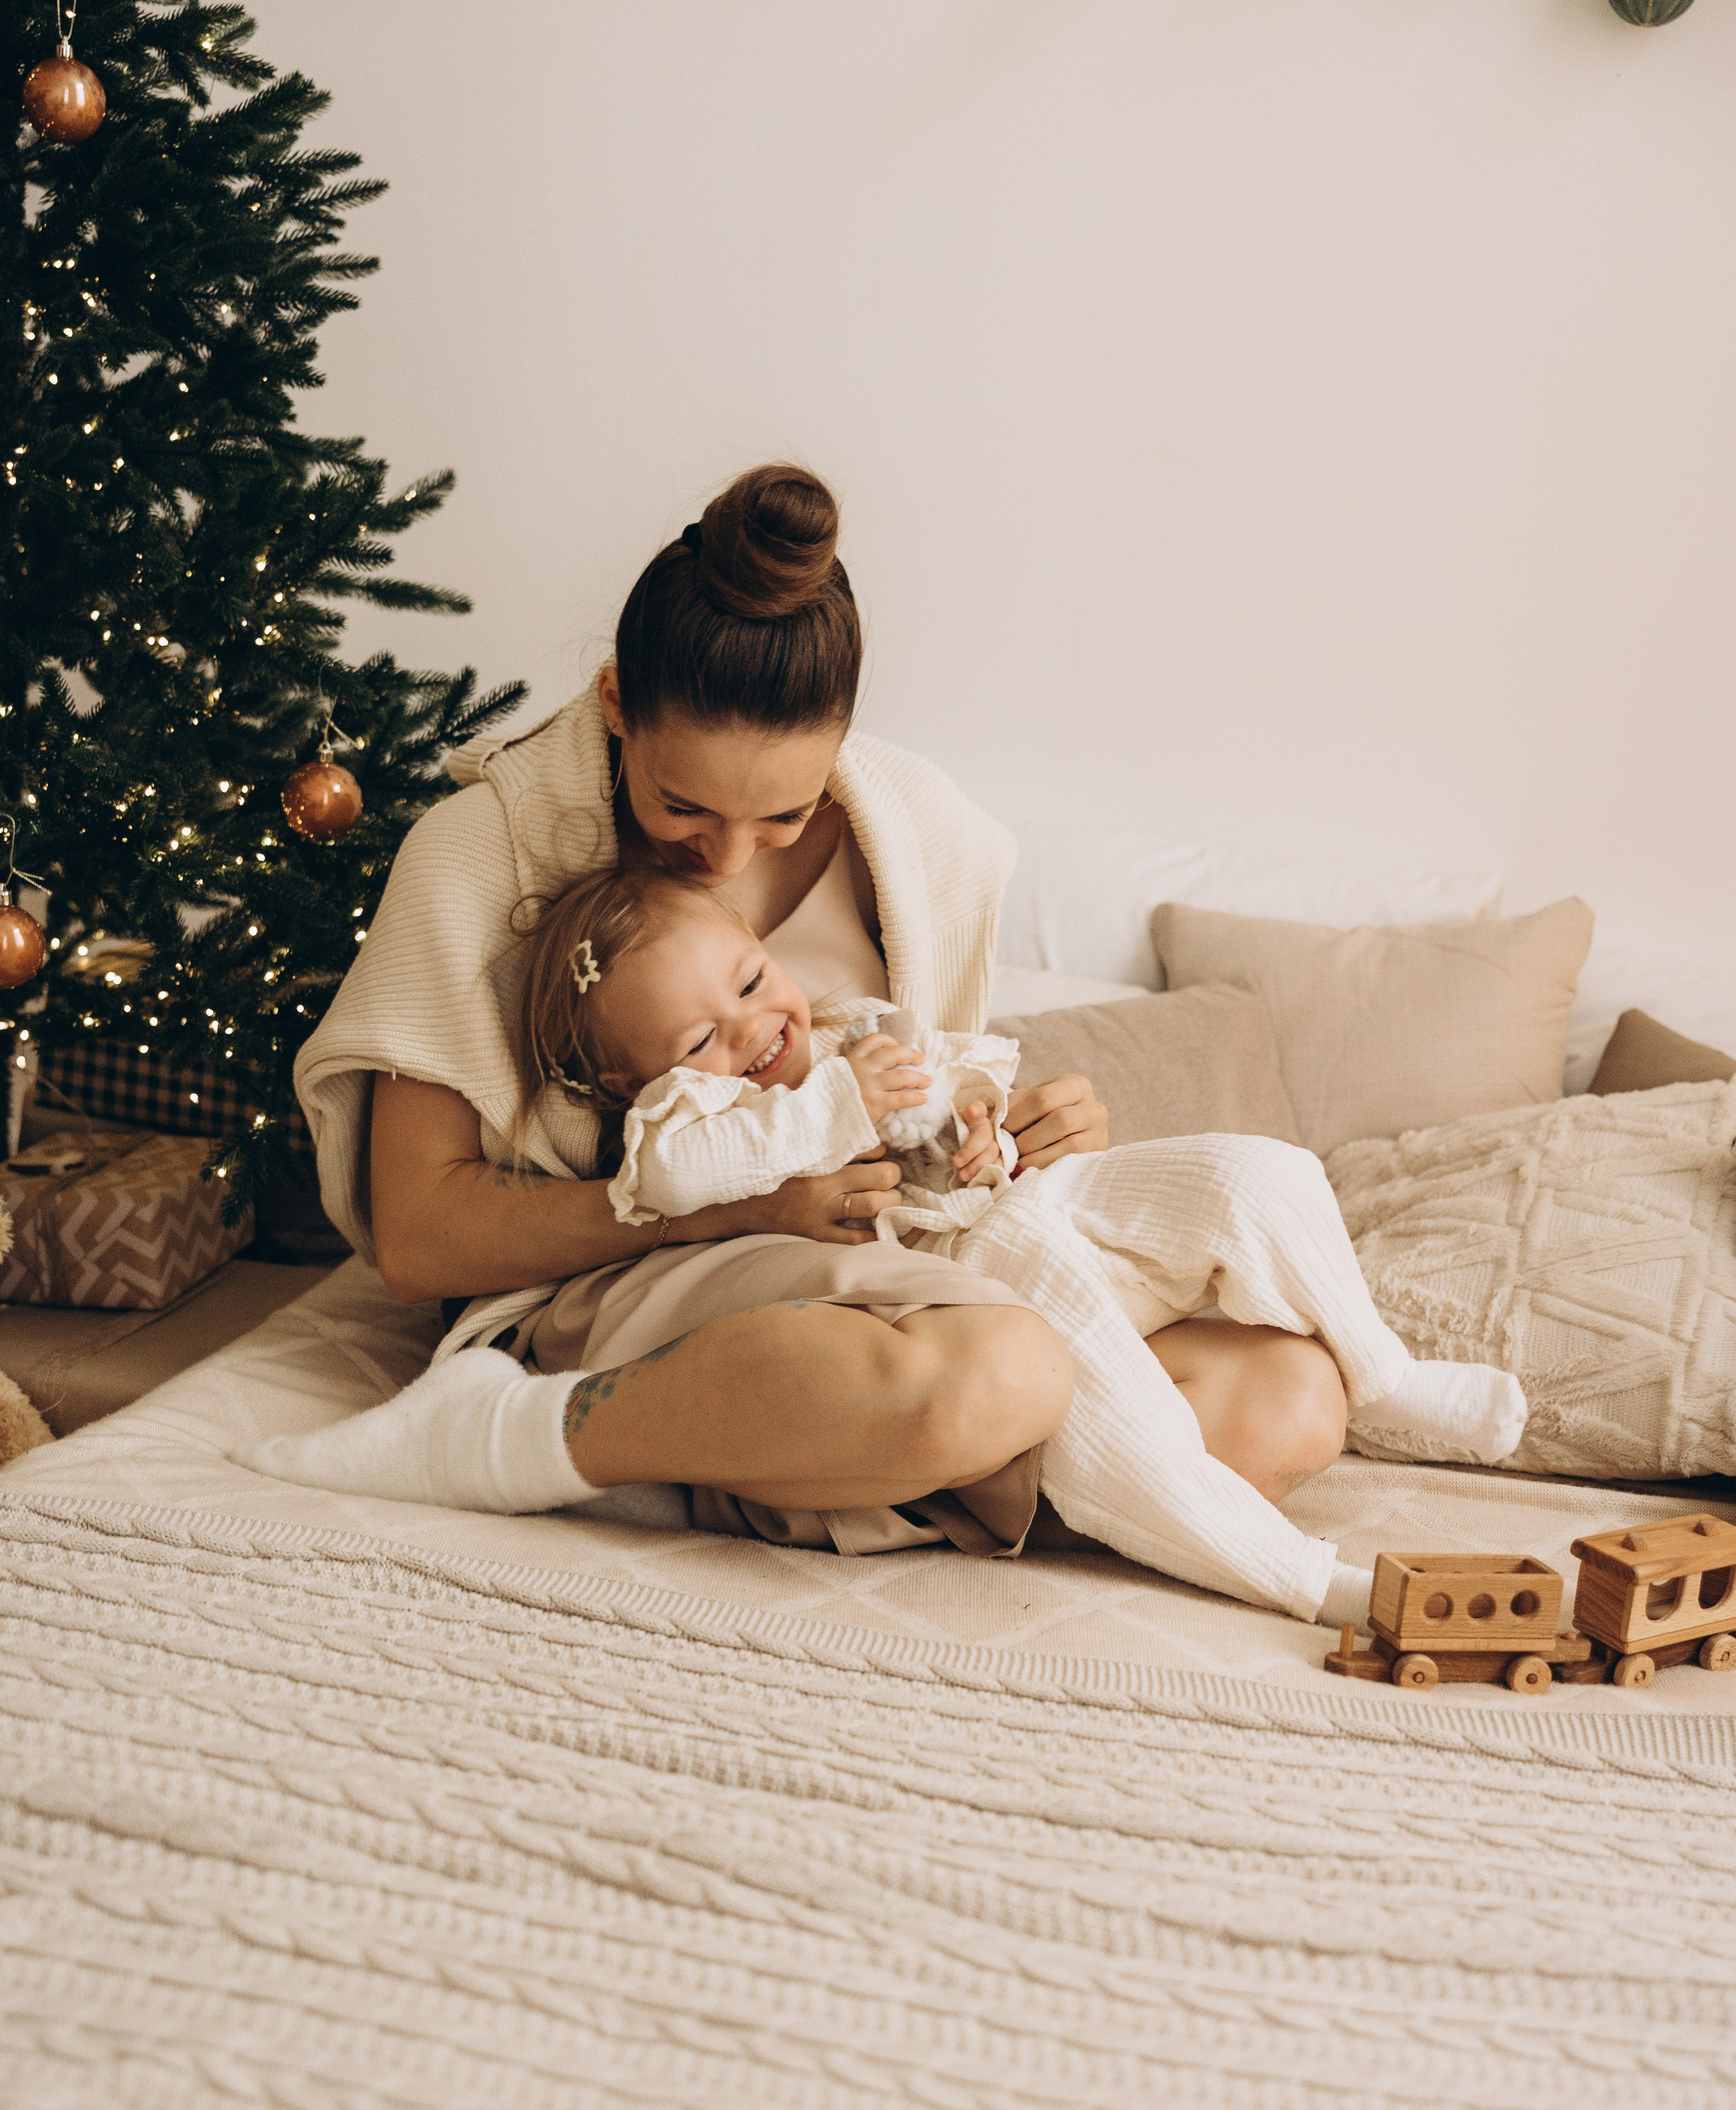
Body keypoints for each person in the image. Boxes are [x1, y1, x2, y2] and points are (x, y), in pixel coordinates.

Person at [269, 462, 1360, 1572]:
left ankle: (795, 1457)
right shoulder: (477, 855)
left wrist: (1004, 1138)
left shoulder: (929, 841)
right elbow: (418, 1238)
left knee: (1291, 1398)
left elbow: (914, 1118)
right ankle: (531, 1431)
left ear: (841, 742)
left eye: (784, 813)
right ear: (615, 705)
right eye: (680, 805)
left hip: (894, 1273)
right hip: (623, 1290)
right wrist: (726, 1212)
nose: (726, 858)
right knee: (1008, 1373)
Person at [255, 860, 1526, 1620]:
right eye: (698, 1035)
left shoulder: (854, 1021)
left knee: (1270, 1234)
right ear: (642, 1081)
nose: (750, 1031)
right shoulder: (689, 1120)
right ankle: (1295, 1578)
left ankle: (1388, 1371)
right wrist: (835, 1104)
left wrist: (983, 1127)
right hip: (960, 1282)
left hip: (995, 1221)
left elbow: (952, 1094)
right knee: (1041, 1351)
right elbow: (693, 1172)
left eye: (752, 983)